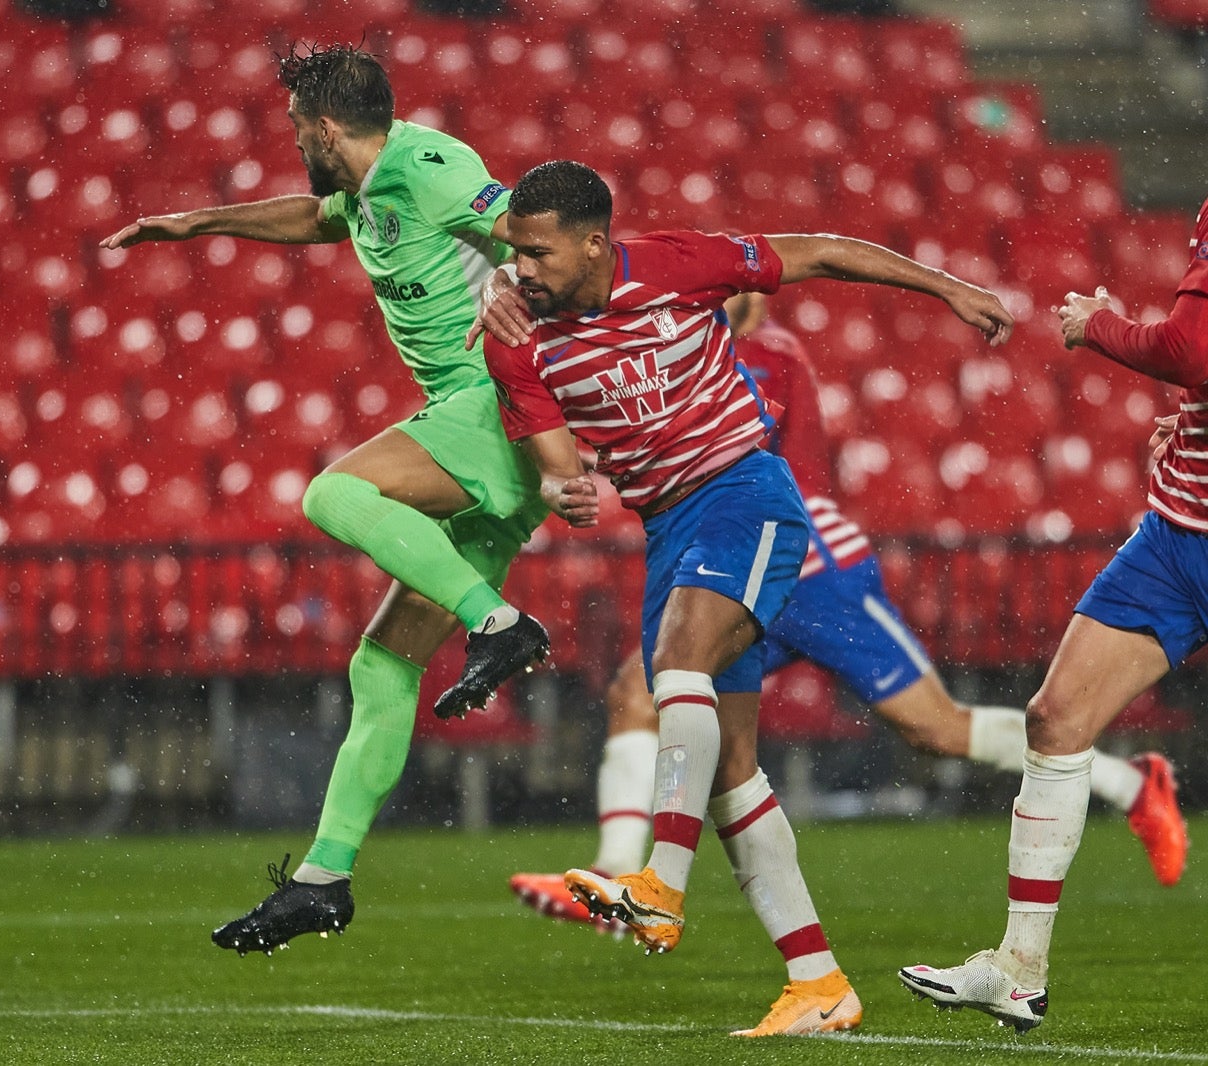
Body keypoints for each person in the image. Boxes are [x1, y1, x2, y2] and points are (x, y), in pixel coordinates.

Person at [477, 159, 1013, 1036]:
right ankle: (818, 982)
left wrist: (946, 287)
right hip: (665, 532)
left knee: (675, 671)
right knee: (729, 770)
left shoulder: (678, 263)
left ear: (593, 244)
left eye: (538, 252)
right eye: (515, 253)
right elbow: (556, 465)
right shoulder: (514, 335)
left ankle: (659, 885)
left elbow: (825, 253)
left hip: (742, 493)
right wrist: (563, 491)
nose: (524, 268)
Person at [508, 293, 1187, 932]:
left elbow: (703, 442)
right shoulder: (693, 354)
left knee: (935, 728)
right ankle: (615, 877)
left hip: (814, 568)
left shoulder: (768, 351)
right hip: (743, 563)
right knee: (640, 690)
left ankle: (1134, 783)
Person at [99, 44, 551, 955]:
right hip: (477, 440)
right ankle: (324, 879)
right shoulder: (363, 193)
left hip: (494, 410)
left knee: (333, 492)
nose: (294, 140)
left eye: (298, 126)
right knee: (381, 670)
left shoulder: (430, 167)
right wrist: (193, 224)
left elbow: (539, 236)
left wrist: (544, 329)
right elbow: (315, 217)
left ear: (327, 126)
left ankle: (499, 624)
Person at [899, 198, 1208, 1031]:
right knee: (1057, 718)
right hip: (1180, 537)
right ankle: (1019, 968)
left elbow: (1191, 347)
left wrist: (1099, 325)